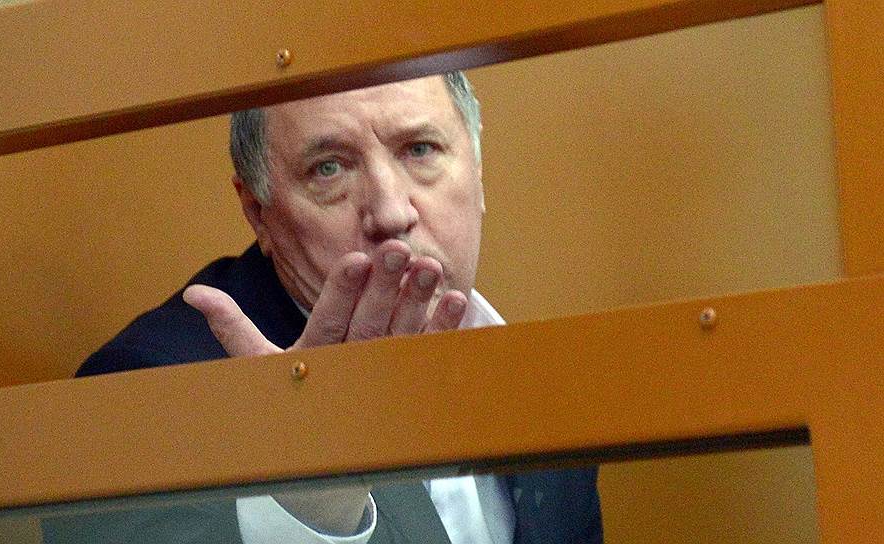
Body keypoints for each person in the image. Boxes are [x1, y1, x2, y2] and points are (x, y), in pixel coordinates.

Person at [76, 72, 602, 543]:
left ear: (479, 170)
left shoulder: (539, 377)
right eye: (329, 168)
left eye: (420, 150)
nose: (391, 212)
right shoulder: (141, 395)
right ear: (259, 214)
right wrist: (308, 509)